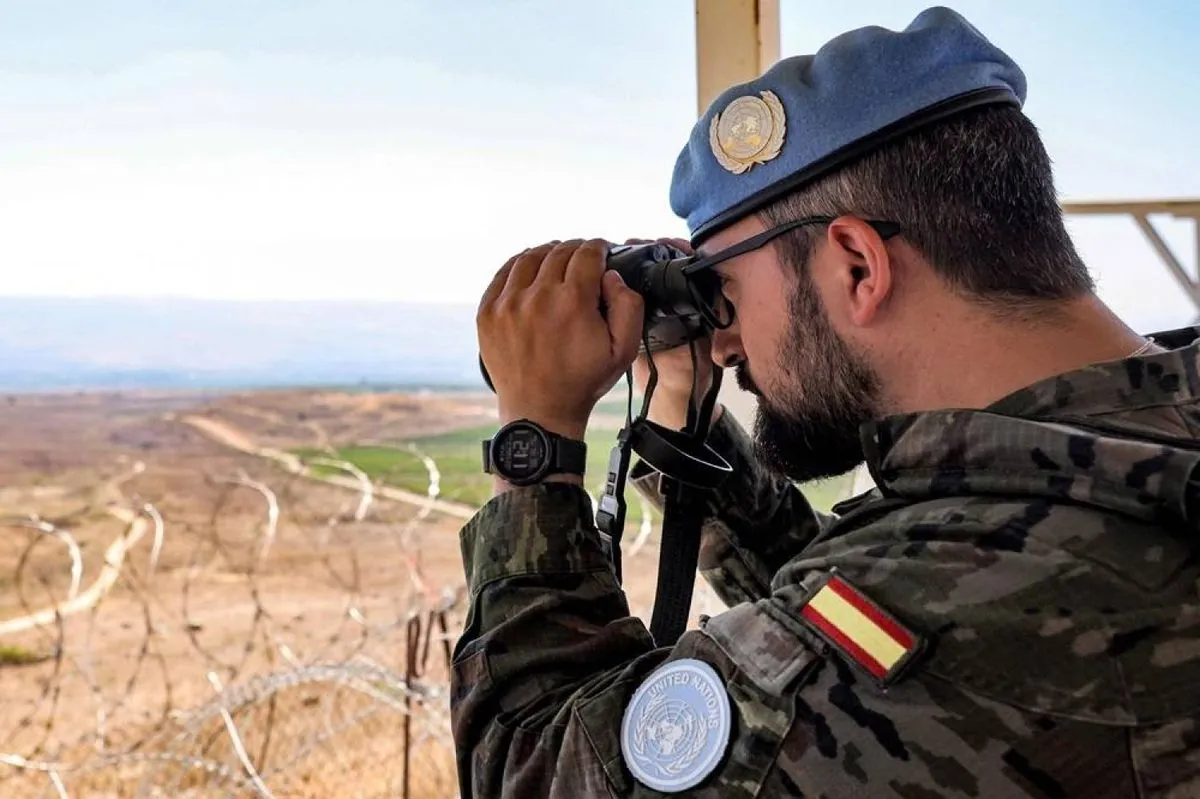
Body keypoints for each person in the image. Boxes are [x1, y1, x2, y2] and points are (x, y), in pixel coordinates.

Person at [453, 6, 1200, 797]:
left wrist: (535, 443)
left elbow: (532, 770)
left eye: (726, 290)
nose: (728, 340)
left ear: (855, 264)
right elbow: (852, 621)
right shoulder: (1117, 461)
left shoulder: (980, 595)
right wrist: (682, 403)